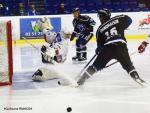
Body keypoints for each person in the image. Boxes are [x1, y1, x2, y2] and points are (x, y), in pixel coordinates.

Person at [77, 8, 146, 86]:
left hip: (107, 48)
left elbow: (99, 47)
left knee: (95, 66)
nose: (100, 18)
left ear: (101, 17)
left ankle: (81, 80)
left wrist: (98, 51)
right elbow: (129, 20)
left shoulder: (100, 29)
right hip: (121, 46)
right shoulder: (118, 19)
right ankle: (136, 77)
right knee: (129, 66)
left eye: (100, 16)